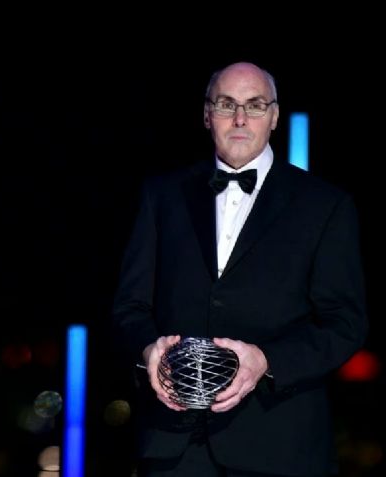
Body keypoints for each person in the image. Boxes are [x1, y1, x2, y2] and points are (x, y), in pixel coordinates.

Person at [111, 62, 367, 476]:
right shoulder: (162, 196)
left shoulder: (325, 206)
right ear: (207, 114)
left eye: (255, 104)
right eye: (228, 104)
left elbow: (345, 324)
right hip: (173, 445)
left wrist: (266, 360)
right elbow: (129, 306)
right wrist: (148, 349)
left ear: (275, 116)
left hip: (280, 446)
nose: (241, 118)